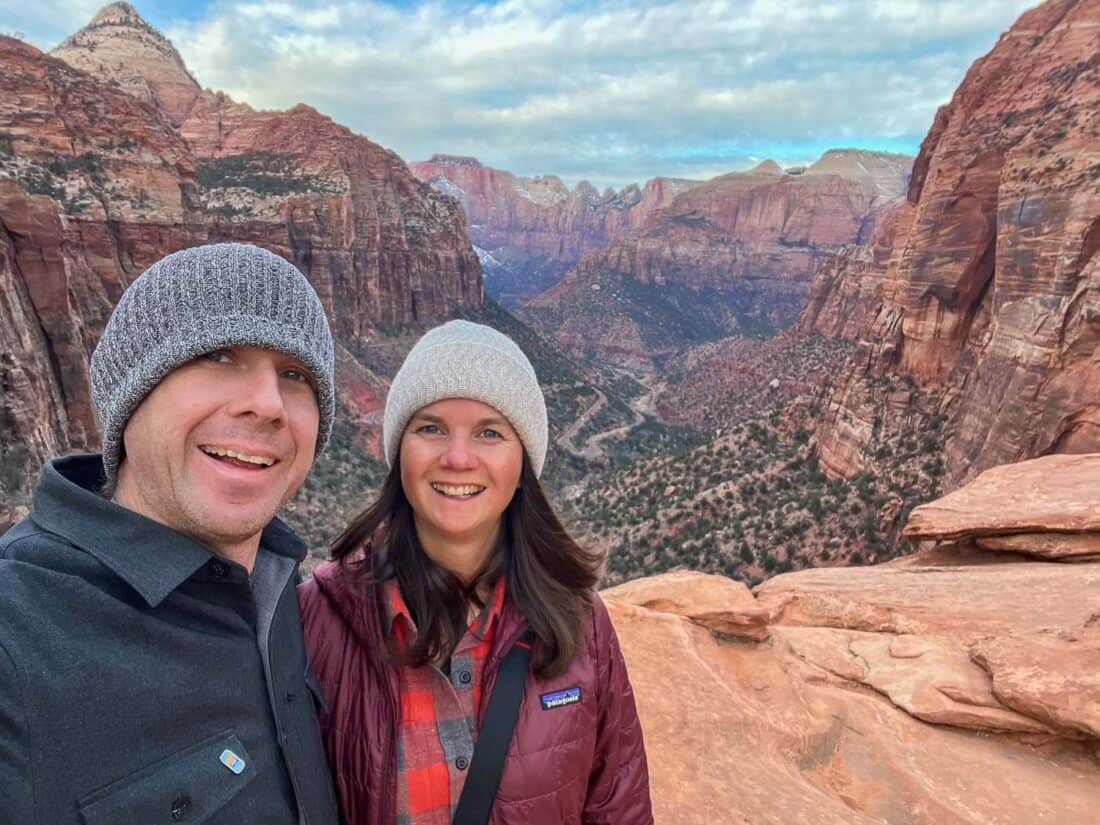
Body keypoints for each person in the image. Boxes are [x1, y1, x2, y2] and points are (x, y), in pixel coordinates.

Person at [0, 243, 340, 824]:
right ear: (131, 397)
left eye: (295, 374)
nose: (267, 404)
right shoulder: (17, 633)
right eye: (215, 355)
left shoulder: (283, 591)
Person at [299, 320, 653, 825]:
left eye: (489, 432)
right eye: (431, 428)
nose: (458, 458)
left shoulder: (578, 619)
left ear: (521, 463)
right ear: (399, 452)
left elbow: (619, 806)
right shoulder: (317, 618)